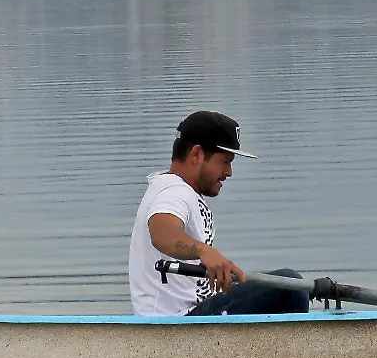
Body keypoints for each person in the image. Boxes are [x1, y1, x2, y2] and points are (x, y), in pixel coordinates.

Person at [128, 111, 311, 317]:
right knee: (291, 287)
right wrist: (203, 250)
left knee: (287, 286)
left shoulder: (180, 190)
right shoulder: (173, 192)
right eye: (225, 162)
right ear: (196, 154)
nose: (229, 172)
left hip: (193, 312)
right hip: (175, 322)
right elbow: (162, 233)